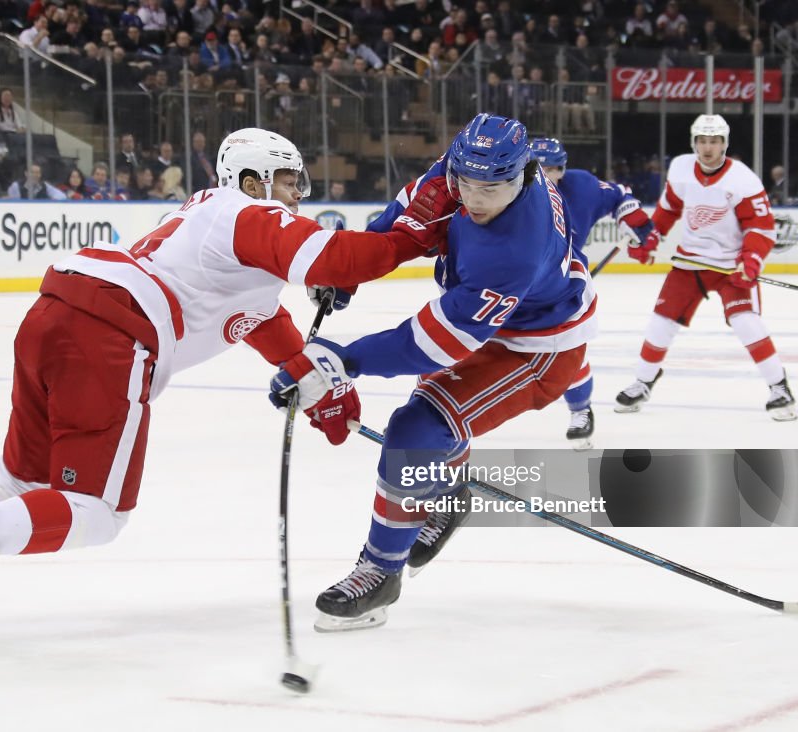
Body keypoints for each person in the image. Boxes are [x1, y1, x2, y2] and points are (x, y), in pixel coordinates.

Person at [0, 128, 455, 628]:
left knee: (19, 478)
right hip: (110, 338)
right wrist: (419, 234)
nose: (298, 195)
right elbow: (338, 259)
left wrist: (320, 387)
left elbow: (265, 323)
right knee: (97, 511)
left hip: (54, 316)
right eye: (290, 181)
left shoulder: (207, 225)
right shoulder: (240, 212)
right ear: (253, 181)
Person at [287, 114, 597, 632]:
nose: (473, 198)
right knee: (428, 432)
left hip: (536, 348)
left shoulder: (516, 249)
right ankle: (447, 493)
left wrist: (343, 359)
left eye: (489, 189)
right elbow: (409, 217)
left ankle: (381, 573)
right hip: (495, 320)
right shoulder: (469, 166)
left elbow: (429, 345)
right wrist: (348, 270)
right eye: (465, 183)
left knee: (417, 429)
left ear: (522, 176)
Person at [614, 114, 795, 421]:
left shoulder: (743, 180)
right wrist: (650, 238)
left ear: (725, 144)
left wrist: (750, 260)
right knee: (661, 321)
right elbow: (668, 209)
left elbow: (761, 228)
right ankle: (643, 381)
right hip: (690, 264)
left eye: (714, 141)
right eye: (702, 141)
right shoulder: (681, 168)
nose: (708, 148)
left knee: (746, 322)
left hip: (731, 267)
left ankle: (780, 388)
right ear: (693, 142)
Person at [529, 137, 654, 448]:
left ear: (563, 169)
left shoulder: (581, 186)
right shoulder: (507, 192)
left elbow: (619, 195)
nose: (545, 175)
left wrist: (636, 224)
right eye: (537, 168)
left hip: (561, 283)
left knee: (568, 347)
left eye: (553, 168)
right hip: (509, 283)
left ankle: (580, 411)